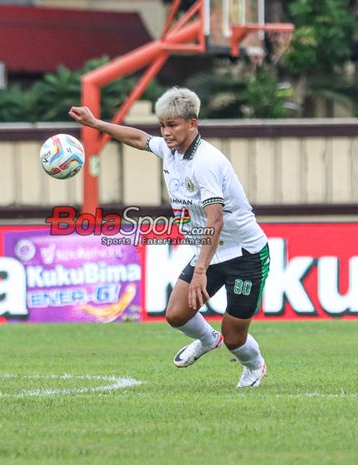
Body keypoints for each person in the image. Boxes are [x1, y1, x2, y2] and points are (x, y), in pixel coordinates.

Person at [69, 87, 270, 388]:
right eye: (163, 125)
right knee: (176, 314)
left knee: (234, 336)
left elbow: (216, 220)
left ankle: (254, 367)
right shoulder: (170, 150)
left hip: (245, 255)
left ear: (192, 124)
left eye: (173, 125)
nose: (166, 132)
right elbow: (138, 138)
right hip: (209, 251)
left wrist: (201, 270)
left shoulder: (206, 163)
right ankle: (206, 339)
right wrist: (96, 123)